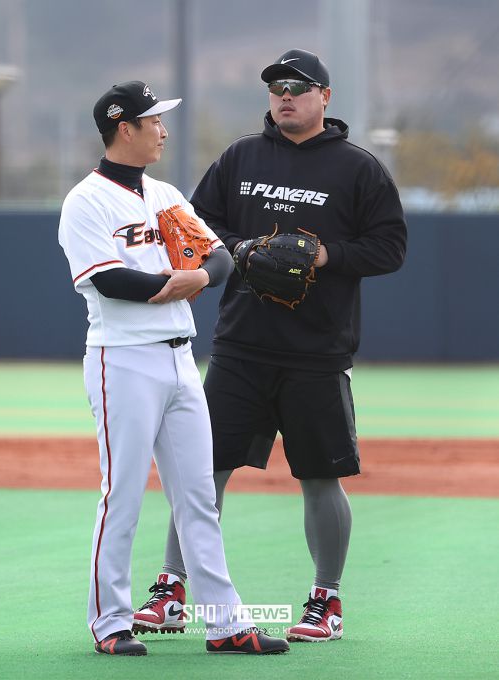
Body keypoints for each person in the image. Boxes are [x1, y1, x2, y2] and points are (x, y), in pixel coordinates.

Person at [136, 49, 407, 643]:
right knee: (204, 472)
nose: (285, 94)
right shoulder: (241, 156)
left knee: (319, 477)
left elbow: (390, 247)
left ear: (324, 97)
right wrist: (241, 250)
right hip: (242, 345)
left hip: (318, 351)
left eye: (298, 86)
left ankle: (326, 600)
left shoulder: (358, 168)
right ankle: (174, 588)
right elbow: (194, 225)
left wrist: (327, 254)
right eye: (277, 86)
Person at [58, 80, 289, 656]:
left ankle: (225, 623)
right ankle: (110, 622)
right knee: (123, 495)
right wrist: (176, 285)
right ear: (125, 128)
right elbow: (107, 280)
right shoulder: (85, 201)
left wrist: (201, 276)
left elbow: (219, 256)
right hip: (123, 359)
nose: (163, 130)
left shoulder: (164, 194)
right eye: (153, 121)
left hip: (181, 359)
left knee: (198, 496)